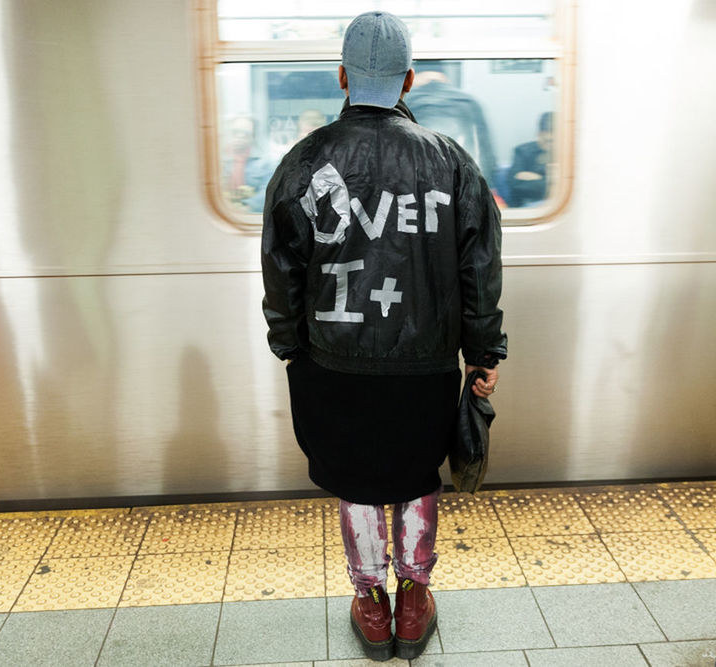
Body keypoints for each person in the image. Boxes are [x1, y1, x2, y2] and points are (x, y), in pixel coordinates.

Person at [261, 11, 507, 661]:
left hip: (332, 360)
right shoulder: (452, 163)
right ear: (410, 81)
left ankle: (370, 601)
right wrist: (484, 354)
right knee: (416, 473)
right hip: (424, 363)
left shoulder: (302, 162)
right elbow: (478, 268)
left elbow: (280, 267)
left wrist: (289, 344)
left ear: (342, 77)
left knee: (359, 479)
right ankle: (415, 595)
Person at [404, 62, 498, 188]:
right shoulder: (469, 103)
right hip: (464, 187)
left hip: (419, 190)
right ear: (444, 75)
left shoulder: (406, 103)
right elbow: (486, 156)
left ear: (412, 75)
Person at [221, 116, 273, 213]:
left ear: (253, 137)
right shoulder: (216, 160)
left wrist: (248, 206)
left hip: (252, 213)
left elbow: (269, 190)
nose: (240, 137)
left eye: (245, 134)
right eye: (235, 132)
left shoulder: (264, 162)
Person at [506, 112, 554, 207]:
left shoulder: (567, 154)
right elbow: (515, 185)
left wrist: (538, 178)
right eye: (547, 140)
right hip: (528, 206)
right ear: (539, 134)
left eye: (554, 142)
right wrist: (551, 180)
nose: (550, 145)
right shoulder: (522, 151)